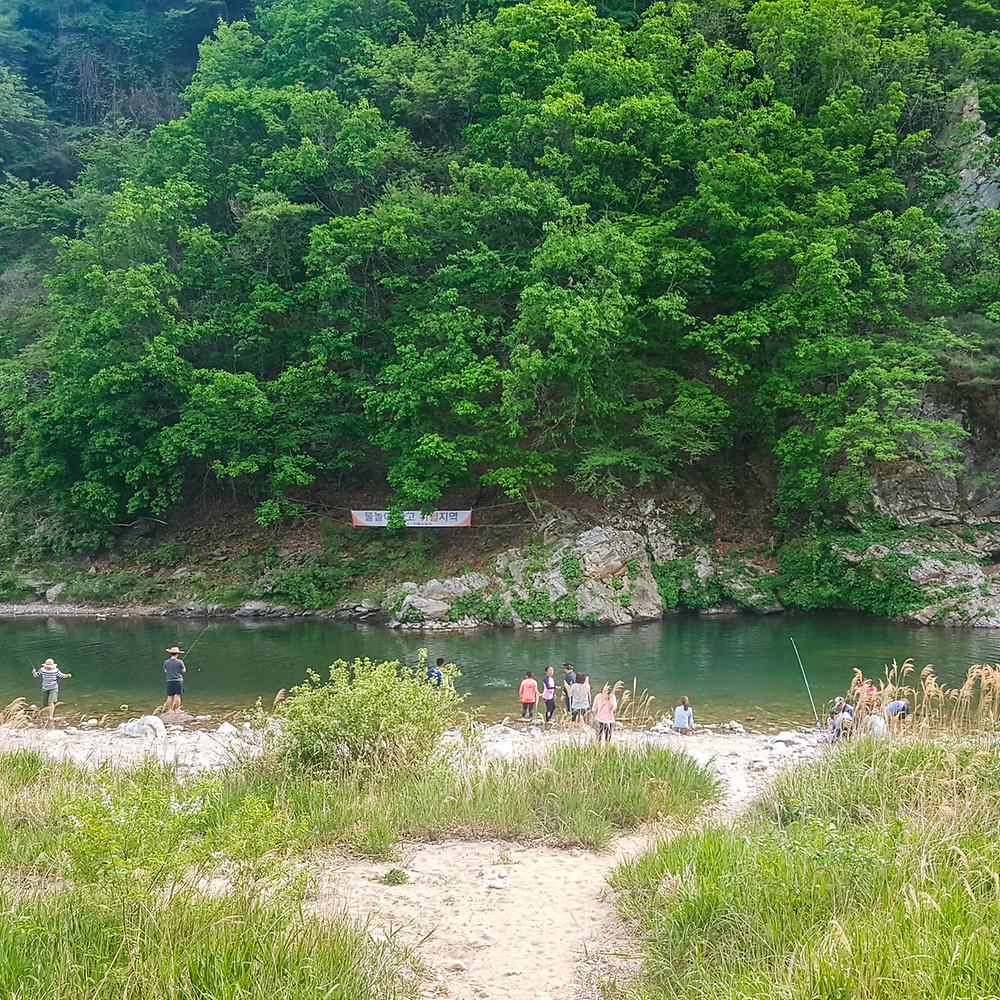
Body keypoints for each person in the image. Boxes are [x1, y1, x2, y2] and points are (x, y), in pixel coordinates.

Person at [163, 646, 186, 712]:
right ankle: (177, 710)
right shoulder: (180, 661)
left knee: (170, 696)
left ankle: (169, 710)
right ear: (177, 654)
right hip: (178, 681)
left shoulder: (166, 662)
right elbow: (184, 670)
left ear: (170, 653)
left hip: (170, 681)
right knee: (178, 695)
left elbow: (166, 671)